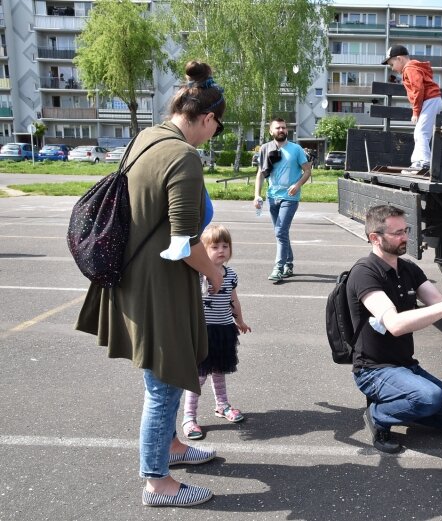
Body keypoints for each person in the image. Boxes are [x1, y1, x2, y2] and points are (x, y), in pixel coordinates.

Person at [75, 60, 227, 508]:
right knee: (163, 384)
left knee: (166, 377)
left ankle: (173, 447)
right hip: (159, 284)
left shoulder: (148, 137)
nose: (213, 136)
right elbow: (183, 244)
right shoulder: (182, 155)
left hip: (137, 278)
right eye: (216, 128)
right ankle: (157, 482)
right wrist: (214, 272)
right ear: (206, 118)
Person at [347, 205, 442, 454]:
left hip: (405, 365)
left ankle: (402, 402)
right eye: (397, 233)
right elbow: (395, 325)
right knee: (430, 397)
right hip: (373, 370)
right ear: (375, 237)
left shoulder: (408, 269)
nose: (405, 237)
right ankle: (378, 414)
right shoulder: (364, 273)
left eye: (406, 230)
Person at [182, 224, 251, 441]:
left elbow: (233, 300)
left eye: (225, 246)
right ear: (203, 251)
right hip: (203, 333)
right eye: (214, 247)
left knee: (220, 371)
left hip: (223, 331)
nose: (221, 250)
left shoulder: (230, 275)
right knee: (199, 376)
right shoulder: (198, 275)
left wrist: (239, 320)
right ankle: (189, 416)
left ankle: (222, 405)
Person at [253, 118, 312, 282]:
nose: (281, 130)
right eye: (278, 128)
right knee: (282, 233)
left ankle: (278, 267)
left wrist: (298, 184)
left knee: (279, 231)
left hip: (290, 197)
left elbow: (307, 171)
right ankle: (289, 264)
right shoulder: (265, 149)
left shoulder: (296, 149)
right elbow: (260, 173)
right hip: (272, 197)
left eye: (284, 128)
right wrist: (257, 195)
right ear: (271, 131)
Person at [382, 45, 442, 173]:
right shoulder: (412, 67)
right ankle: (418, 162)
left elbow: (418, 89)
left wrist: (415, 111)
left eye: (392, 64)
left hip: (430, 100)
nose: (392, 68)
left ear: (399, 59)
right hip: (431, 100)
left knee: (421, 132)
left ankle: (424, 163)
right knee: (420, 133)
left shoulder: (409, 68)